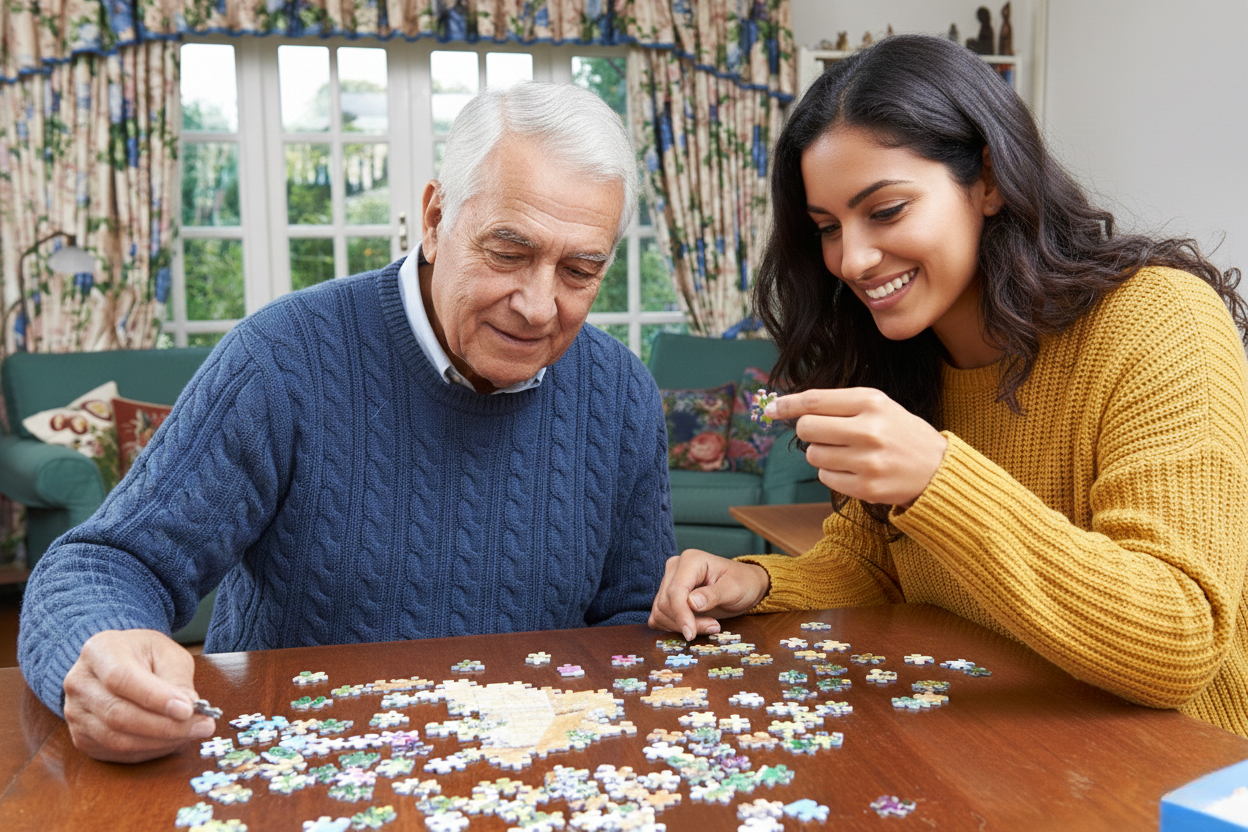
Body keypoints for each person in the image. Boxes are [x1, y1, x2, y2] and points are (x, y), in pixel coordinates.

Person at [20, 81, 677, 762]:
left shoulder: (620, 390)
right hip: (293, 772)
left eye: (578, 270)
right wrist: (98, 652)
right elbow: (104, 563)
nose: (539, 306)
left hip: (533, 775)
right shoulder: (281, 357)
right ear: (434, 218)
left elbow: (635, 617)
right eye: (509, 252)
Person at [649, 34, 1248, 737]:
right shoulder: (901, 353)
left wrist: (939, 477)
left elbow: (1178, 643)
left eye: (886, 209)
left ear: (988, 179)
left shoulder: (1161, 320)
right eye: (827, 227)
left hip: (1173, 770)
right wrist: (757, 582)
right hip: (998, 749)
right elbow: (876, 564)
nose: (854, 258)